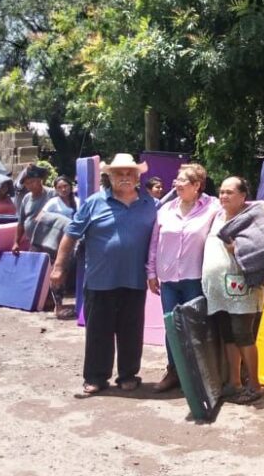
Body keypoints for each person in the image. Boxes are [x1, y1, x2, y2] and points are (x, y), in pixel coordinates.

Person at [50, 154, 158, 395]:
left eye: (130, 173)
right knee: (99, 331)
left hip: (134, 279)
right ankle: (96, 377)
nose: (125, 177)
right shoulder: (94, 202)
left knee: (131, 330)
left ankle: (128, 374)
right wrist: (58, 267)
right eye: (119, 173)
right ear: (109, 176)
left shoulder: (151, 204)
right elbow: (71, 234)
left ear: (138, 176)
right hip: (100, 280)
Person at [145, 164, 219, 393]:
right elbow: (154, 243)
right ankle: (174, 371)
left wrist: (263, 205)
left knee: (196, 328)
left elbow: (238, 206)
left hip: (194, 278)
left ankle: (198, 376)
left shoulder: (212, 207)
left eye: (182, 181)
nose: (176, 184)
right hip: (168, 280)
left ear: (197, 185)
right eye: (176, 180)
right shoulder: (166, 210)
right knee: (172, 327)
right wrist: (151, 272)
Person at [207, 176, 264, 403]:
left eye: (229, 192)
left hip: (244, 286)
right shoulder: (216, 214)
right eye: (221, 192)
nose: (223, 196)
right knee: (228, 334)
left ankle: (255, 384)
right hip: (219, 288)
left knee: (243, 334)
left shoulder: (253, 218)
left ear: (243, 196)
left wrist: (237, 249)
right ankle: (235, 381)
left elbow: (263, 248)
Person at [39, 175, 81, 320]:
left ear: (71, 187)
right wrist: (61, 222)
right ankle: (58, 306)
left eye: (66, 186)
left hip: (73, 243)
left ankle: (68, 303)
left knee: (68, 272)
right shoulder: (53, 203)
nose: (63, 189)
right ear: (56, 189)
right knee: (58, 273)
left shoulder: (77, 201)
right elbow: (40, 218)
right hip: (56, 242)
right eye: (60, 187)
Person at [12, 164, 55, 253]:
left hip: (51, 243)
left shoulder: (52, 194)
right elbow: (21, 223)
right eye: (27, 184)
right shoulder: (26, 198)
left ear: (40, 181)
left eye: (32, 182)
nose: (29, 186)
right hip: (34, 244)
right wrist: (16, 242)